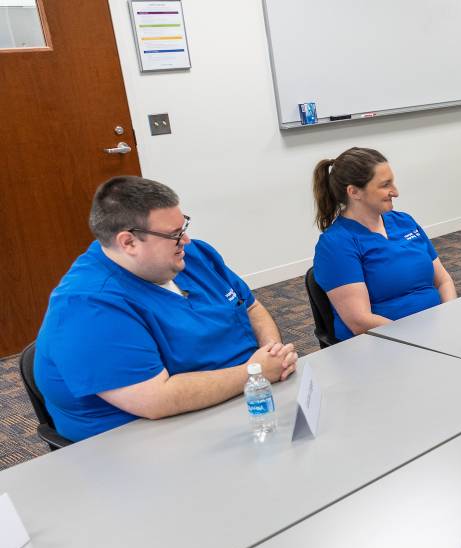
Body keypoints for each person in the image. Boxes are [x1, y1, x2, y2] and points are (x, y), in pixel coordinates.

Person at [34, 176, 297, 442]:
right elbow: (155, 400)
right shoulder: (87, 307)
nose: (187, 240)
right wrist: (255, 374)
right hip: (141, 438)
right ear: (128, 243)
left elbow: (251, 307)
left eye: (183, 226)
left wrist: (272, 354)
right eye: (174, 234)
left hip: (238, 401)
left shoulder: (190, 257)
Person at [312, 147, 457, 340]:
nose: (395, 192)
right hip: (386, 343)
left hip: (436, 330)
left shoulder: (404, 222)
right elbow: (360, 321)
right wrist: (417, 339)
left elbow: (443, 281)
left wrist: (452, 315)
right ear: (354, 192)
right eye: (385, 185)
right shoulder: (336, 244)